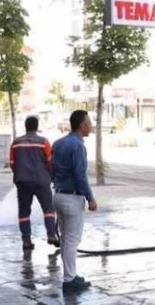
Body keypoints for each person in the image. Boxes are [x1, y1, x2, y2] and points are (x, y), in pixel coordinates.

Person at [52, 110, 97, 291]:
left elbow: (51, 169)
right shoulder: (78, 146)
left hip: (59, 194)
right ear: (82, 125)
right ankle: (69, 279)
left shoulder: (58, 143)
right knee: (71, 240)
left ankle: (70, 275)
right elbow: (80, 176)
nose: (91, 126)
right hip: (72, 197)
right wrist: (90, 198)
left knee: (65, 239)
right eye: (89, 122)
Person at [10, 116, 60, 252]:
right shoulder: (44, 142)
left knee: (24, 212)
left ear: (25, 126)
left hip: (23, 181)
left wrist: (19, 174)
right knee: (48, 210)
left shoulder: (16, 143)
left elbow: (12, 163)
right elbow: (51, 162)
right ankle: (51, 235)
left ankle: (26, 239)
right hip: (42, 180)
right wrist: (51, 176)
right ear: (37, 127)